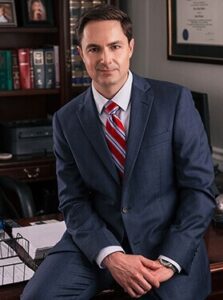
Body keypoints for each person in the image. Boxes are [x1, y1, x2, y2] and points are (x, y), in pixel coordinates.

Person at [21, 4, 216, 300]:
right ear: (80, 53)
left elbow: (199, 190)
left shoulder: (173, 101)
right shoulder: (66, 119)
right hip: (97, 243)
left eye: (115, 46)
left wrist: (170, 261)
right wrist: (111, 256)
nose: (106, 59)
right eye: (94, 49)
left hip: (164, 242)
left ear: (130, 47)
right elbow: (73, 201)